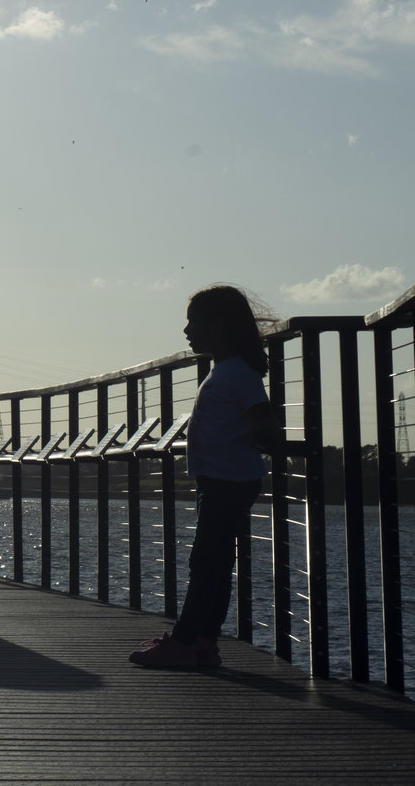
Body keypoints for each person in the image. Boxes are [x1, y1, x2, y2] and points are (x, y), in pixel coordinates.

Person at [130, 286, 281, 670]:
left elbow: (262, 417)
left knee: (205, 562)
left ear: (220, 325)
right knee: (215, 562)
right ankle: (203, 642)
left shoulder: (237, 373)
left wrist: (262, 437)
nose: (187, 331)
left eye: (194, 322)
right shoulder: (227, 370)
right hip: (221, 479)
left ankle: (183, 642)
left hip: (228, 481)